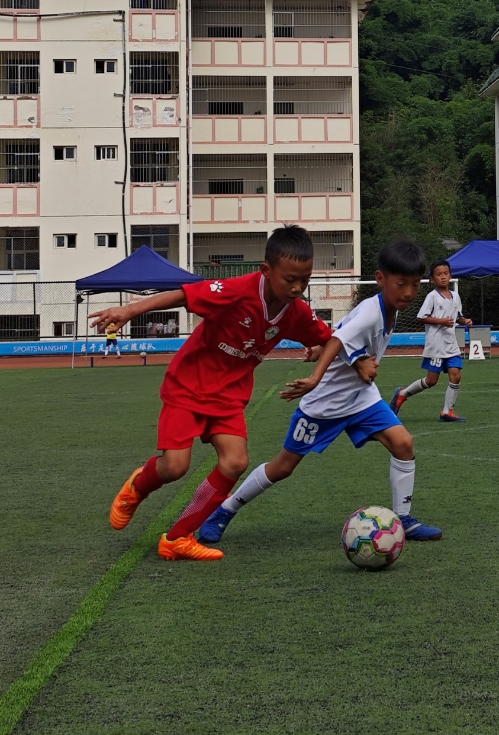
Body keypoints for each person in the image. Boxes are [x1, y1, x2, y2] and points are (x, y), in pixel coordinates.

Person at [90, 225, 333, 563]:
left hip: (229, 396)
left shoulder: (296, 312)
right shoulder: (236, 291)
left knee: (236, 461)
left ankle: (178, 538)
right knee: (175, 467)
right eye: (289, 279)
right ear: (266, 270)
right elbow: (184, 294)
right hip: (188, 386)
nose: (296, 287)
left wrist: (325, 350)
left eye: (304, 280)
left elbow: (329, 337)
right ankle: (137, 488)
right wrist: (128, 311)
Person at [199, 238, 442, 546]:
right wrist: (315, 378)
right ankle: (224, 510)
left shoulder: (389, 308)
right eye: (401, 284)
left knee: (403, 443)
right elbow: (338, 340)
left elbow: (336, 330)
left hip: (362, 398)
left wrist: (326, 350)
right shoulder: (371, 311)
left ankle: (403, 519)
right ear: (380, 279)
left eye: (414, 285)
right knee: (283, 467)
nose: (408, 292)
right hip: (324, 404)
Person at [390, 259, 472, 423]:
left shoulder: (455, 296)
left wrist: (464, 321)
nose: (443, 277)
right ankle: (402, 394)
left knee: (456, 376)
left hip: (451, 345)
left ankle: (447, 412)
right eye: (439, 274)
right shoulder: (432, 297)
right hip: (436, 345)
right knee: (431, 381)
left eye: (446, 274)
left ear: (451, 276)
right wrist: (441, 322)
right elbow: (421, 317)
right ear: (432, 279)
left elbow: (457, 316)